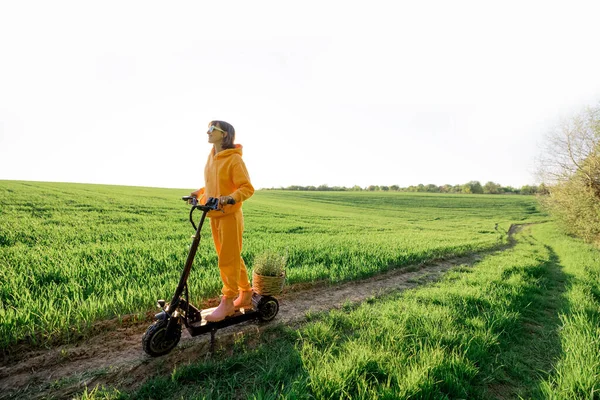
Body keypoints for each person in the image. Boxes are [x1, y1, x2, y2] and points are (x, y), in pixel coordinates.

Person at [190, 120, 255, 322]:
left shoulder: (234, 160)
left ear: (224, 135)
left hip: (230, 216)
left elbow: (246, 188)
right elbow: (213, 185)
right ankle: (245, 293)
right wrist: (199, 192)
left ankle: (228, 301)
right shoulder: (212, 158)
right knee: (231, 255)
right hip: (214, 215)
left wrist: (229, 198)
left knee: (227, 258)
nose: (207, 132)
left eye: (212, 129)